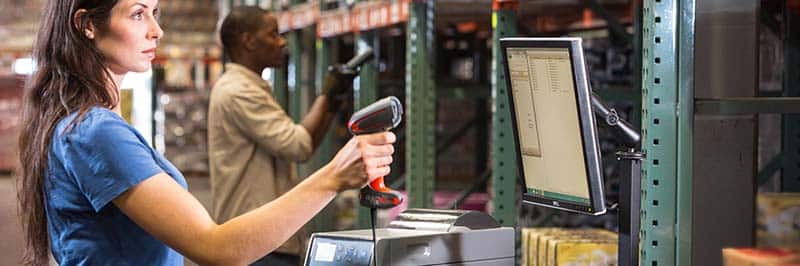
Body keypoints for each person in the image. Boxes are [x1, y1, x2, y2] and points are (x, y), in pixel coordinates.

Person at [16, 1, 395, 265]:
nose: (156, 30)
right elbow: (217, 249)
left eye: (155, 13)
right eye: (137, 14)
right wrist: (333, 177)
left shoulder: (82, 124)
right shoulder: (94, 132)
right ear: (87, 24)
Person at [208, 6, 357, 265]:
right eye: (273, 34)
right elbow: (297, 145)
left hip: (262, 239)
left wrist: (331, 101)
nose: (282, 41)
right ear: (248, 41)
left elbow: (305, 146)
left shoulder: (249, 86)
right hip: (257, 243)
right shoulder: (240, 92)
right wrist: (326, 96)